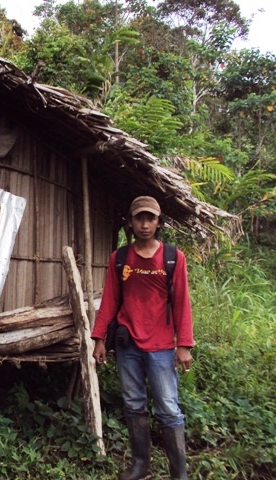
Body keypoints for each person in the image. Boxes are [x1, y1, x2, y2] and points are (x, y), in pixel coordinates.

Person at [91, 196, 193, 480]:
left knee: (169, 409)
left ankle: (179, 474)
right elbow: (110, 299)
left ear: (159, 222)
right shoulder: (120, 258)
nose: (145, 224)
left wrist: (184, 344)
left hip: (161, 346)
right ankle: (140, 465)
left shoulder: (173, 257)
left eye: (150, 218)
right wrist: (99, 337)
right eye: (139, 218)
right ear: (131, 222)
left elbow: (183, 301)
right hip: (127, 345)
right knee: (133, 403)